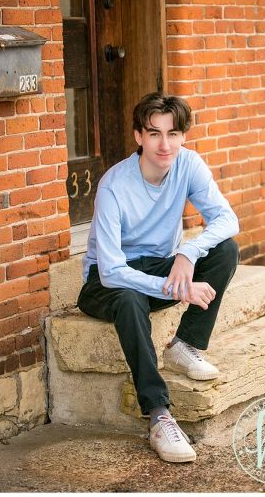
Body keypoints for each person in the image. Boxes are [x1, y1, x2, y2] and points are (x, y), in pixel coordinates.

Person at [76, 92, 239, 463]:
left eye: (173, 134)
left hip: (159, 265)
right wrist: (177, 288)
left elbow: (228, 220)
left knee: (226, 250)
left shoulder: (189, 165)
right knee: (130, 298)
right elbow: (113, 271)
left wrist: (187, 252)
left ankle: (185, 345)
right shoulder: (114, 185)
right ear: (138, 136)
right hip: (104, 282)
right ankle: (159, 415)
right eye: (154, 134)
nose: (165, 145)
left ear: (183, 136)